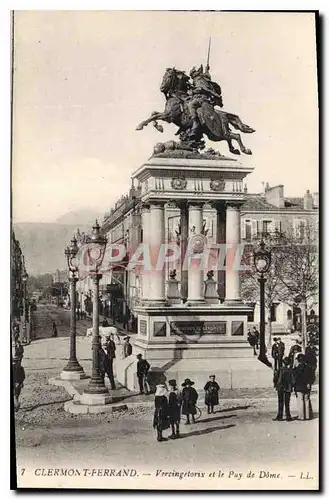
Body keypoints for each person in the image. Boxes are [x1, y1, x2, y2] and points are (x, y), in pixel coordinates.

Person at [293, 353, 315, 421]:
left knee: (300, 401)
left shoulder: (296, 369)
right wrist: (309, 383)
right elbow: (313, 377)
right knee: (307, 400)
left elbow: (294, 378)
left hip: (299, 386)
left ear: (298, 360)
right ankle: (307, 416)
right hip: (307, 386)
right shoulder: (309, 368)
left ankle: (301, 416)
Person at [273, 357, 293, 421]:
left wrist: (275, 384)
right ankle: (288, 416)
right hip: (288, 387)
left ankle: (280, 416)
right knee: (287, 403)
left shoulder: (280, 369)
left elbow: (275, 378)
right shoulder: (290, 370)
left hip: (280, 387)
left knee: (280, 401)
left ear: (283, 362)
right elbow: (293, 380)